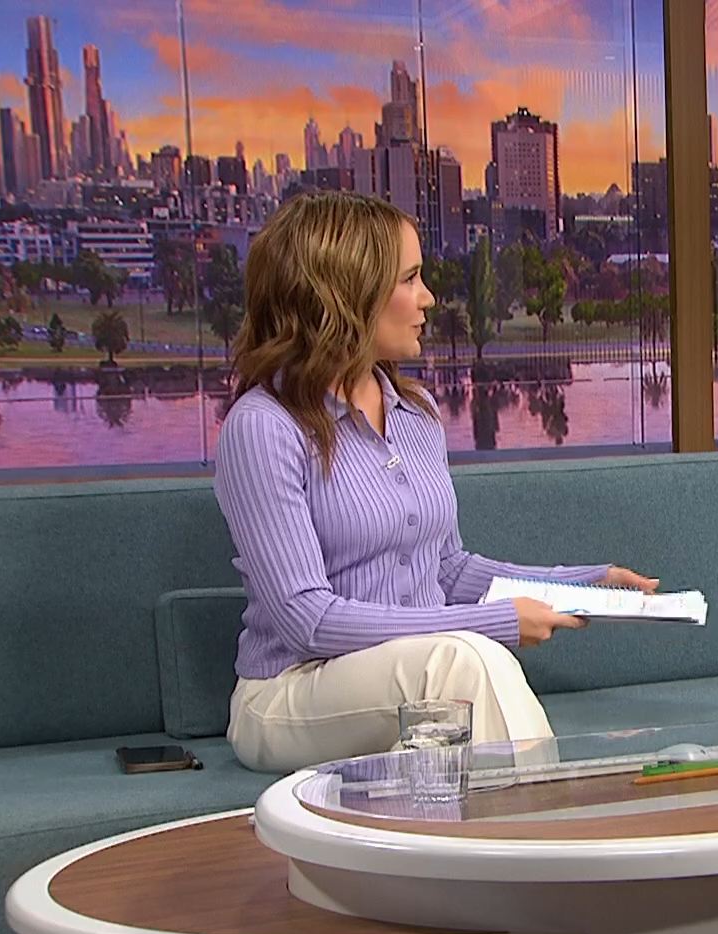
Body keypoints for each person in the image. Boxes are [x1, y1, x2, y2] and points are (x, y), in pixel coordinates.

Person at [214, 192, 658, 774]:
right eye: (410, 279)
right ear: (345, 292)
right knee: (464, 661)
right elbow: (308, 620)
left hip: (413, 675)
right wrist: (496, 623)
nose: (427, 298)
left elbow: (445, 571)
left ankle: (497, 819)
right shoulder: (263, 427)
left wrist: (582, 585)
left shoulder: (415, 414)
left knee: (456, 680)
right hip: (290, 693)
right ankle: (547, 816)